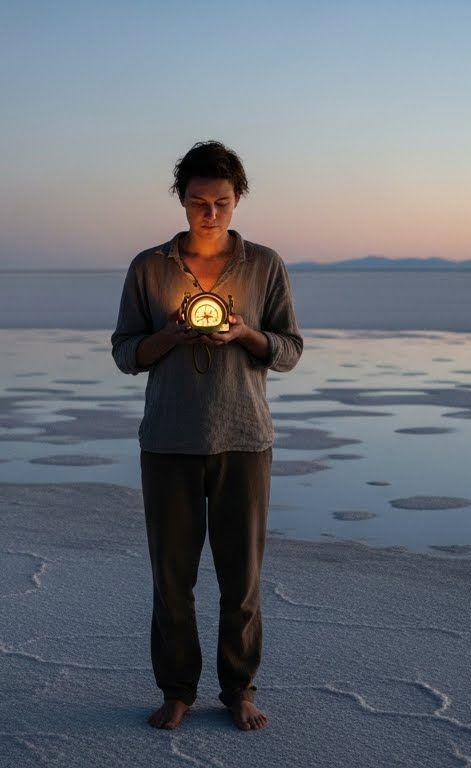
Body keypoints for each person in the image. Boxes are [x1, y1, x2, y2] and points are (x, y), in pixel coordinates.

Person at [110, 141, 302, 731]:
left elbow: (290, 350)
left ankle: (238, 689)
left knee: (241, 577)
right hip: (168, 441)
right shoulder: (150, 266)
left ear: (238, 199)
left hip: (244, 439)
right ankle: (177, 690)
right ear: (182, 200)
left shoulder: (265, 265)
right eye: (198, 202)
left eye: (221, 202)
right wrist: (170, 337)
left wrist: (244, 334)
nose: (210, 214)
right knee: (172, 577)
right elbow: (124, 353)